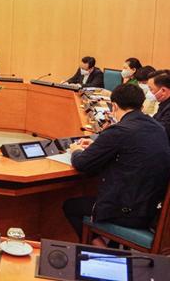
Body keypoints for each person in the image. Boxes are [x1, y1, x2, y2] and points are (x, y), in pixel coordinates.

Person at [62, 83, 170, 244]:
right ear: (141, 104)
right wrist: (98, 146)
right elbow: (132, 150)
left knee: (71, 206)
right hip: (151, 209)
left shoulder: (119, 130)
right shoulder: (157, 128)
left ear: (114, 106)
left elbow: (82, 163)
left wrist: (76, 150)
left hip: (126, 212)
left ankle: (102, 251)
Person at [148, 70, 170, 143]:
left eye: (151, 89)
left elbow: (161, 131)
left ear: (163, 90)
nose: (149, 92)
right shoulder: (164, 103)